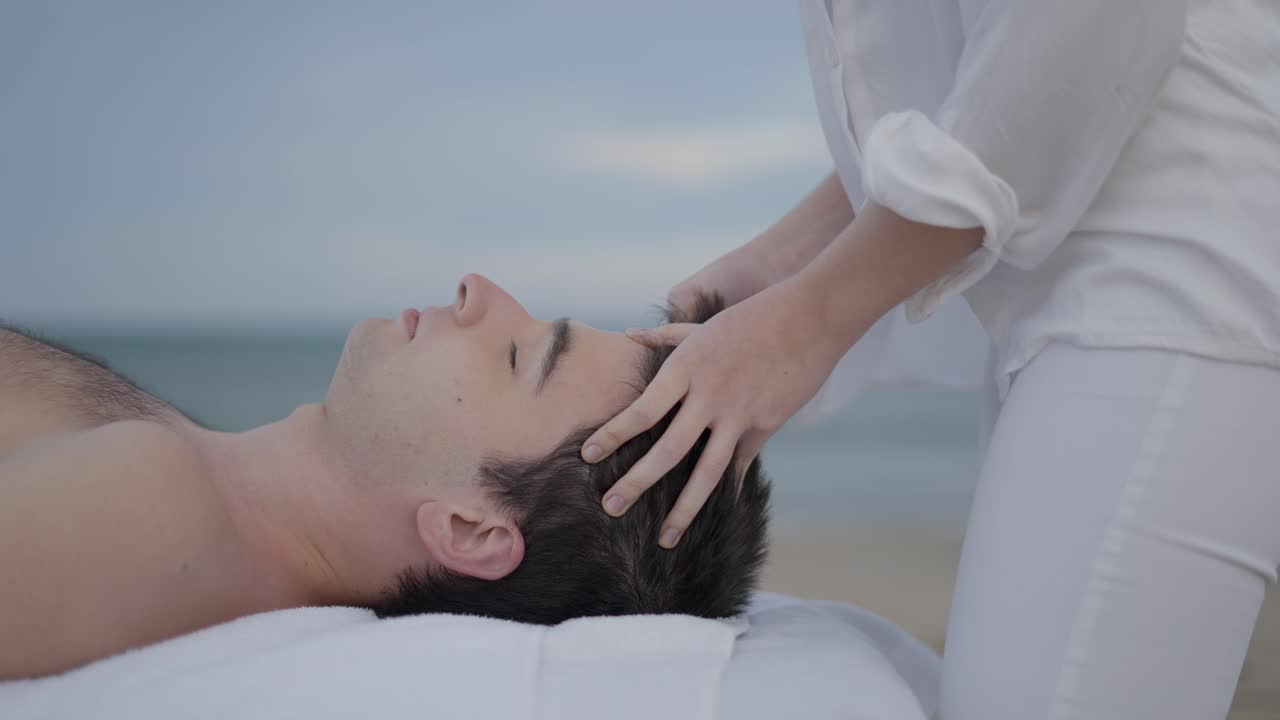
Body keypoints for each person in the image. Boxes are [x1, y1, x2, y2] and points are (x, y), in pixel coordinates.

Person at [584, 1, 1280, 718]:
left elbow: (1089, 22)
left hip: (1177, 266)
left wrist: (811, 317)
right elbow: (973, 77)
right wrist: (791, 262)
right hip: (1061, 298)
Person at [0, 274, 770, 679]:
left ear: (469, 527)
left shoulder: (153, 515)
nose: (480, 291)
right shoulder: (186, 476)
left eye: (518, 357)